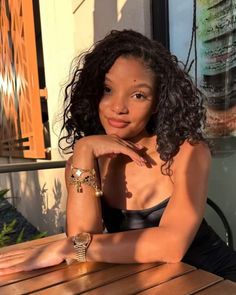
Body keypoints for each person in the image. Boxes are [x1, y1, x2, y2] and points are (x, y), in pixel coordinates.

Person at [0, 29, 235, 281]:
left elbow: (171, 246)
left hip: (215, 279)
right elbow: (81, 235)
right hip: (153, 284)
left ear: (157, 103)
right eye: (107, 89)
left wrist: (69, 248)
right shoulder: (87, 160)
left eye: (138, 95)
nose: (118, 107)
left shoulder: (186, 151)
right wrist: (83, 150)